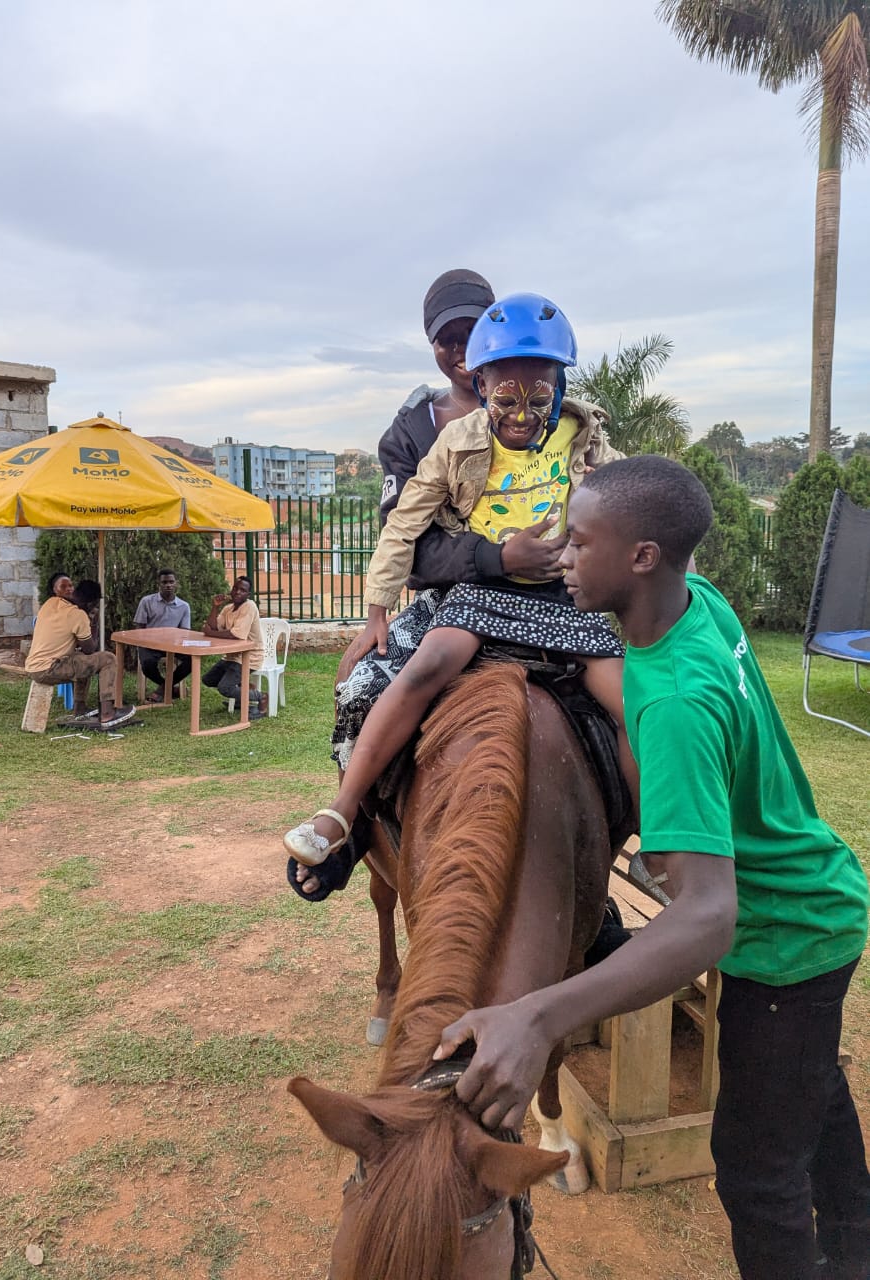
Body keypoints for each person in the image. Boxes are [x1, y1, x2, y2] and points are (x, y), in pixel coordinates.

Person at [433, 456, 870, 1280]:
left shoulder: (673, 702)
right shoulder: (696, 603)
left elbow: (707, 916)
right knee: (811, 1099)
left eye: (579, 541)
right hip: (818, 893)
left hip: (786, 935)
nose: (560, 555)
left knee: (758, 1175)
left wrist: (536, 1017)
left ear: (641, 557)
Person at [285, 291, 635, 877]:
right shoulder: (446, 440)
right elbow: (405, 522)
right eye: (505, 400)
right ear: (482, 384)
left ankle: (655, 836)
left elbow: (637, 494)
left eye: (538, 400)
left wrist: (613, 494)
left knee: (635, 703)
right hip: (480, 595)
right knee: (420, 669)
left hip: (562, 599)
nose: (520, 417)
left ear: (560, 388)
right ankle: (344, 813)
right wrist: (377, 609)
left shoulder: (586, 437)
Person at [25, 574, 135, 729]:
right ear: (91, 604)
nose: (69, 589)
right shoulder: (77, 615)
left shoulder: (49, 604)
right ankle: (108, 713)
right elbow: (90, 649)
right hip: (49, 669)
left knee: (81, 659)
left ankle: (80, 709)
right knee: (108, 659)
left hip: (33, 666)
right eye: (64, 586)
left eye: (71, 586)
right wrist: (93, 623)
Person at [201, 576, 268, 717]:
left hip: (249, 657)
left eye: (243, 590)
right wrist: (215, 607)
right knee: (208, 679)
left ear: (248, 594)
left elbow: (235, 635)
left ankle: (260, 696)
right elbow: (213, 626)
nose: (238, 592)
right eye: (235, 588)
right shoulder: (228, 608)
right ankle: (243, 693)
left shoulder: (249, 607)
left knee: (225, 688)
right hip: (231, 656)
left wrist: (210, 633)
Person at [133, 568, 192, 701]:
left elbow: (185, 632)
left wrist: (177, 643)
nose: (168, 585)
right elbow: (139, 627)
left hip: (173, 645)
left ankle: (163, 689)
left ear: (176, 583)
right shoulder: (147, 601)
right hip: (149, 644)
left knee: (193, 660)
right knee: (147, 664)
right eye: (164, 582)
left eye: (171, 582)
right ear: (158, 584)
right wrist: (143, 643)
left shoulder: (184, 606)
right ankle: (169, 688)